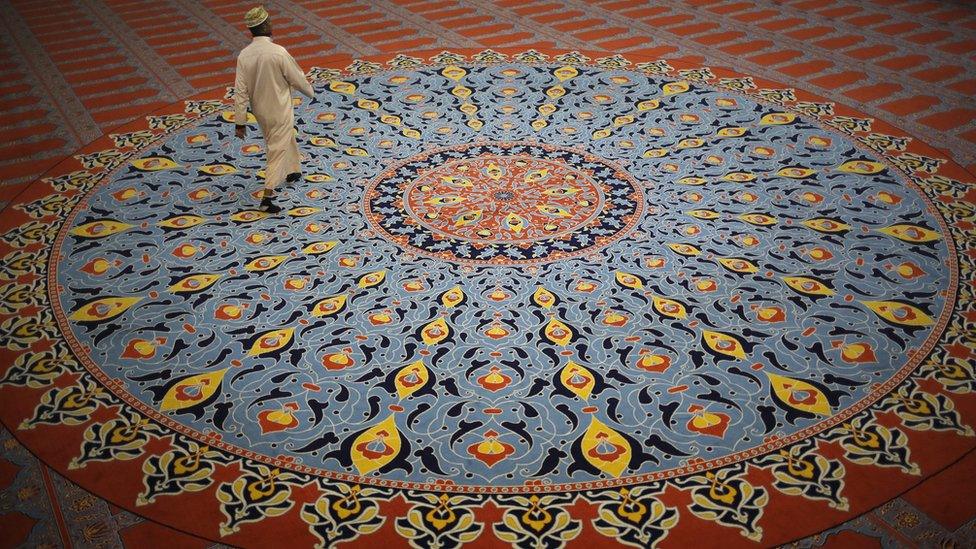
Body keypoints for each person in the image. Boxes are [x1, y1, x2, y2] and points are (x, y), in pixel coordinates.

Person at [234, 6, 314, 213]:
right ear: (266, 25)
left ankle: (293, 169)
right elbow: (296, 78)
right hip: (279, 107)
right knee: (276, 150)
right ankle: (267, 197)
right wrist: (310, 92)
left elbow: (240, 91)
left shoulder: (244, 55)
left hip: (260, 110)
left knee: (284, 137)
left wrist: (240, 122)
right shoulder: (278, 52)